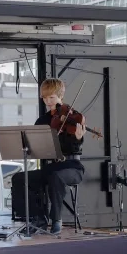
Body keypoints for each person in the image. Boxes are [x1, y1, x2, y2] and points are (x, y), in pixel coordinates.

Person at [25, 78, 86, 235]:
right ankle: (38, 218)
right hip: (51, 166)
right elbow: (37, 148)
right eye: (45, 98)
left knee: (55, 176)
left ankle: (56, 219)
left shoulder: (73, 117)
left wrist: (78, 139)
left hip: (72, 166)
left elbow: (75, 149)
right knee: (21, 178)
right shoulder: (42, 121)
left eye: (51, 97)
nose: (48, 101)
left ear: (60, 96)